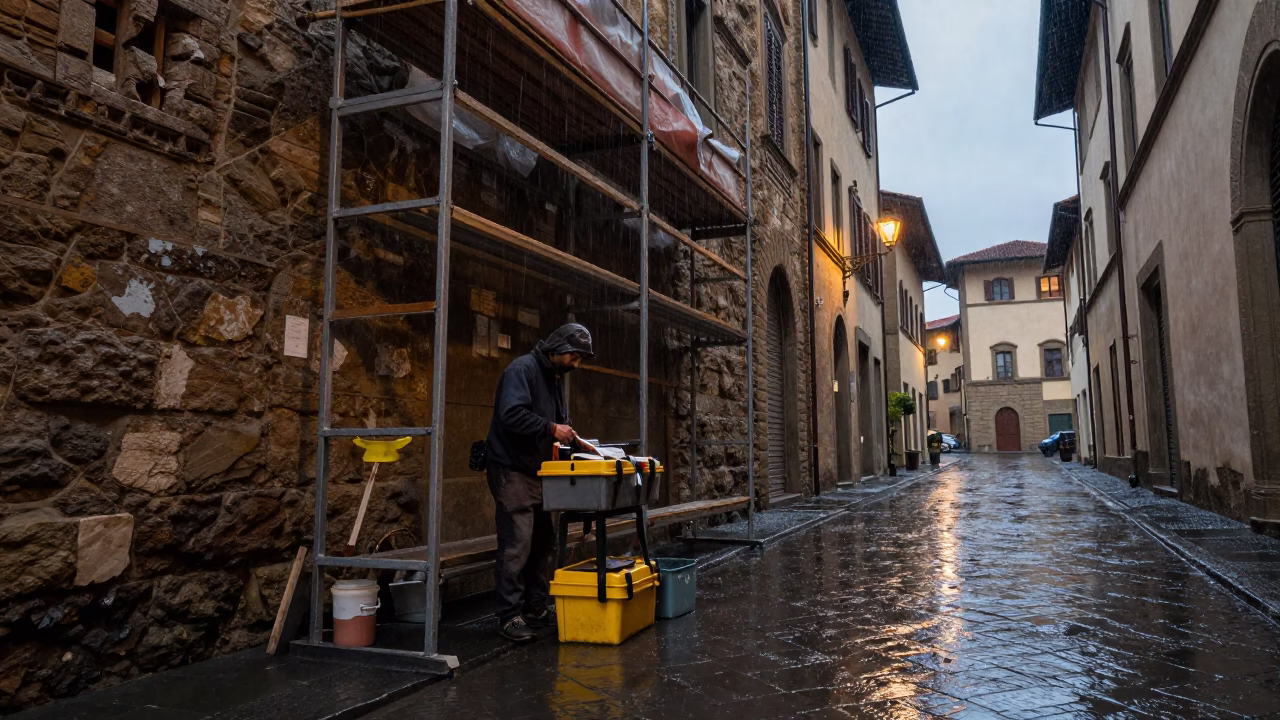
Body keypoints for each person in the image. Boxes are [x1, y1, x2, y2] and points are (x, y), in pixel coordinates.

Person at [484, 323, 594, 642]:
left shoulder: (554, 376)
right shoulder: (522, 370)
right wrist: (551, 428)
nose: (576, 364)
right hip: (512, 469)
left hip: (540, 471)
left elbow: (555, 422)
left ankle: (536, 606)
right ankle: (509, 616)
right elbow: (511, 414)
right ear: (558, 349)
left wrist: (572, 437)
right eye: (574, 357)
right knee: (517, 544)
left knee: (544, 541)